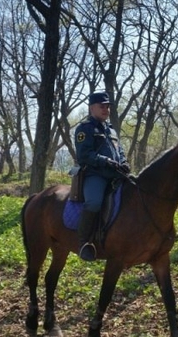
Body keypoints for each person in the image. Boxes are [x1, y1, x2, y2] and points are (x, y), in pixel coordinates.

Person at [74, 91, 130, 261]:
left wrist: (123, 161)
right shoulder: (84, 129)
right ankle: (84, 242)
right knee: (94, 202)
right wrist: (105, 161)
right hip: (95, 174)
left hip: (115, 174)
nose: (106, 109)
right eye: (102, 106)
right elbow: (84, 155)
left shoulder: (111, 130)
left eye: (107, 107)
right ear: (92, 108)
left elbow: (119, 150)